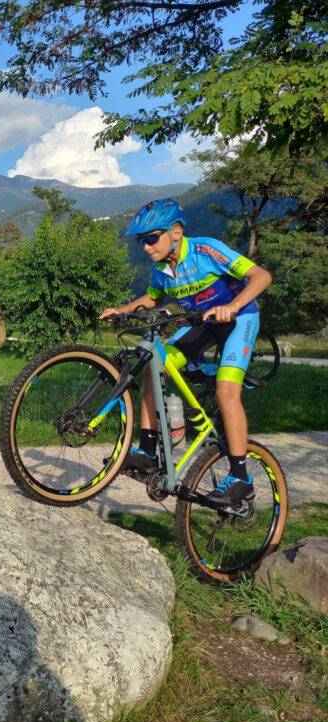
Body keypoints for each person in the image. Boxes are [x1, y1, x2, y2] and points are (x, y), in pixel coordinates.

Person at [99, 198, 273, 507]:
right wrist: (122, 310)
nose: (146, 246)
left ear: (176, 232)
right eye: (142, 240)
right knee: (153, 361)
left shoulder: (206, 250)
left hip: (239, 319)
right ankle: (148, 452)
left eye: (151, 237)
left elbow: (261, 276)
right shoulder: (162, 269)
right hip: (203, 323)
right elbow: (152, 299)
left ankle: (240, 478)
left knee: (226, 392)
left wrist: (231, 306)